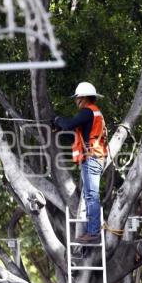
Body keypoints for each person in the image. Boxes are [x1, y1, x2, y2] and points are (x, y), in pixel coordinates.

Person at [54, 82, 108, 243]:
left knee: (92, 195)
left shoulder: (87, 111)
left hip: (92, 158)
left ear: (83, 98)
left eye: (77, 98)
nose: (76, 101)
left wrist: (57, 119)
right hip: (94, 157)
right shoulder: (93, 115)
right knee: (90, 195)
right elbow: (75, 135)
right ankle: (92, 231)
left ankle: (93, 232)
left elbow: (69, 124)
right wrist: (60, 127)